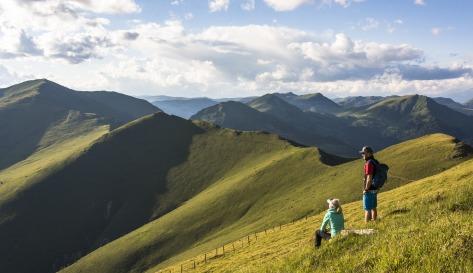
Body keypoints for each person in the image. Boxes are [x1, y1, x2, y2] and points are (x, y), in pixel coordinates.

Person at [360, 146, 379, 222]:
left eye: (363, 153)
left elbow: (369, 177)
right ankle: (374, 222)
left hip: (369, 189)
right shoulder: (375, 161)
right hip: (375, 188)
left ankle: (367, 226)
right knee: (373, 207)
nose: (362, 155)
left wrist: (366, 189)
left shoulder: (369, 163)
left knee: (367, 209)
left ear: (369, 153)